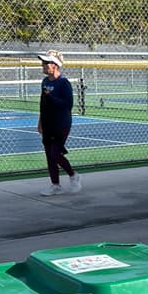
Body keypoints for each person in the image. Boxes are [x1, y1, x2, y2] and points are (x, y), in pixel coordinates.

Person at [36, 50, 81, 195]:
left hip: (61, 124)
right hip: (48, 124)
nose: (43, 65)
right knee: (49, 154)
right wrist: (40, 122)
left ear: (55, 65)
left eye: (46, 63)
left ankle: (73, 176)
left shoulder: (63, 83)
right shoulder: (45, 82)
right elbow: (43, 104)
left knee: (55, 153)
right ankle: (55, 185)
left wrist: (51, 98)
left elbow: (67, 104)